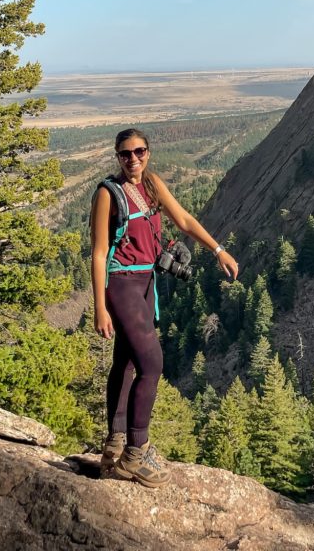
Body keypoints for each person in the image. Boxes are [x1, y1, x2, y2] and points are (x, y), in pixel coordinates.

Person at [90, 127, 239, 487]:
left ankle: (114, 444)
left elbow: (184, 220)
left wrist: (218, 251)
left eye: (139, 152)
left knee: (127, 363)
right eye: (125, 154)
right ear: (117, 156)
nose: (133, 160)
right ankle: (136, 453)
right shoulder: (108, 194)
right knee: (152, 363)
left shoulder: (152, 185)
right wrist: (99, 306)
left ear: (148, 153)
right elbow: (97, 252)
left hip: (145, 284)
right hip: (122, 284)